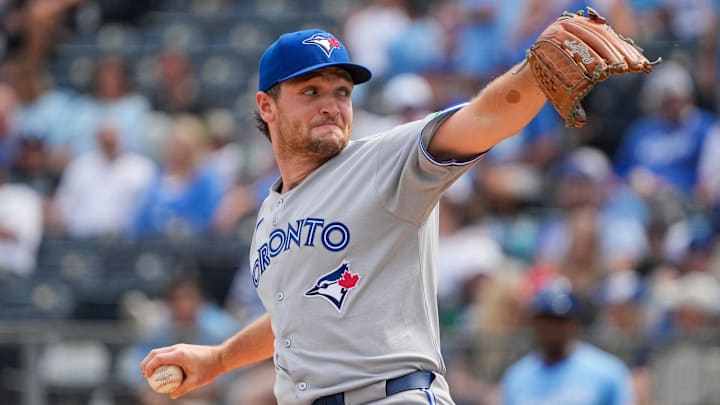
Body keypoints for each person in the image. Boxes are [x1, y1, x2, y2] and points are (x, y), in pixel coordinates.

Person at [139, 25, 587, 404]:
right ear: (266, 106)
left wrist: (533, 74)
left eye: (341, 91)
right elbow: (295, 315)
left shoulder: (381, 162)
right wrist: (219, 359)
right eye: (310, 91)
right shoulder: (269, 213)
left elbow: (483, 119)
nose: (330, 104)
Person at [500, 278, 636, 405]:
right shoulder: (516, 378)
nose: (551, 328)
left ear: (573, 323)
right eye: (545, 320)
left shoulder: (607, 372)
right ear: (534, 324)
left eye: (558, 321)